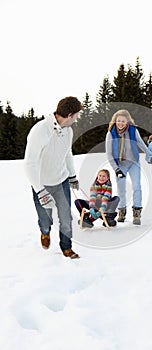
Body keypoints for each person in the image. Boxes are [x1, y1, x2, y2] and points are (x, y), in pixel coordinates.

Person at [24, 96, 82, 259]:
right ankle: (45, 231)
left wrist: (72, 176)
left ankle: (66, 247)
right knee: (45, 218)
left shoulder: (68, 131)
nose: (77, 118)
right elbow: (29, 164)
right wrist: (40, 191)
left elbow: (67, 154)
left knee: (65, 216)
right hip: (41, 184)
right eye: (77, 115)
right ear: (70, 115)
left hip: (61, 180)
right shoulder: (40, 130)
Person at [105, 109, 150, 225]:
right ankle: (122, 211)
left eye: (123, 121)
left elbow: (140, 143)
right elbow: (109, 154)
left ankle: (137, 212)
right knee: (121, 190)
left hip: (133, 163)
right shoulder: (111, 133)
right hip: (120, 165)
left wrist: (150, 154)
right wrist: (116, 169)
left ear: (127, 122)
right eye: (118, 121)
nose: (120, 123)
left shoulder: (133, 131)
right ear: (115, 121)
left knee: (136, 186)